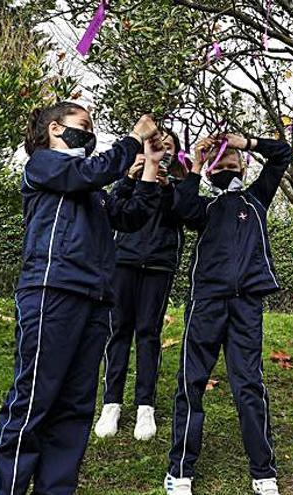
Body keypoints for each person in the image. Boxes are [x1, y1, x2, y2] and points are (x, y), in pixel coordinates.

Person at [0, 102, 164, 495]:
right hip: (52, 292)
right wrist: (133, 138)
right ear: (54, 128)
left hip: (95, 300)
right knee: (34, 401)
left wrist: (149, 166)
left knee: (75, 410)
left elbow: (129, 217)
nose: (90, 133)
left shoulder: (91, 190)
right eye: (82, 126)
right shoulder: (45, 165)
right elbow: (92, 171)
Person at [164, 133, 293, 495]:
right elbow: (182, 207)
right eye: (218, 163)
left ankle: (264, 473)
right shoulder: (204, 207)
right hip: (205, 303)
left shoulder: (256, 199)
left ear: (243, 164)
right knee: (190, 384)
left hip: (246, 306)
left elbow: (282, 155)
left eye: (230, 159)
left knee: (249, 385)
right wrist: (196, 165)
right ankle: (180, 471)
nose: (224, 165)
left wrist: (246, 141)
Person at [94, 129, 188, 441]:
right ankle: (112, 403)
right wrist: (129, 179)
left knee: (148, 332)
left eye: (168, 146)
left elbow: (185, 214)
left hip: (159, 264)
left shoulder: (177, 186)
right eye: (157, 144)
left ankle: (145, 405)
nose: (162, 150)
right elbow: (112, 210)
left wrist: (167, 189)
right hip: (124, 260)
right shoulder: (130, 179)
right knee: (118, 329)